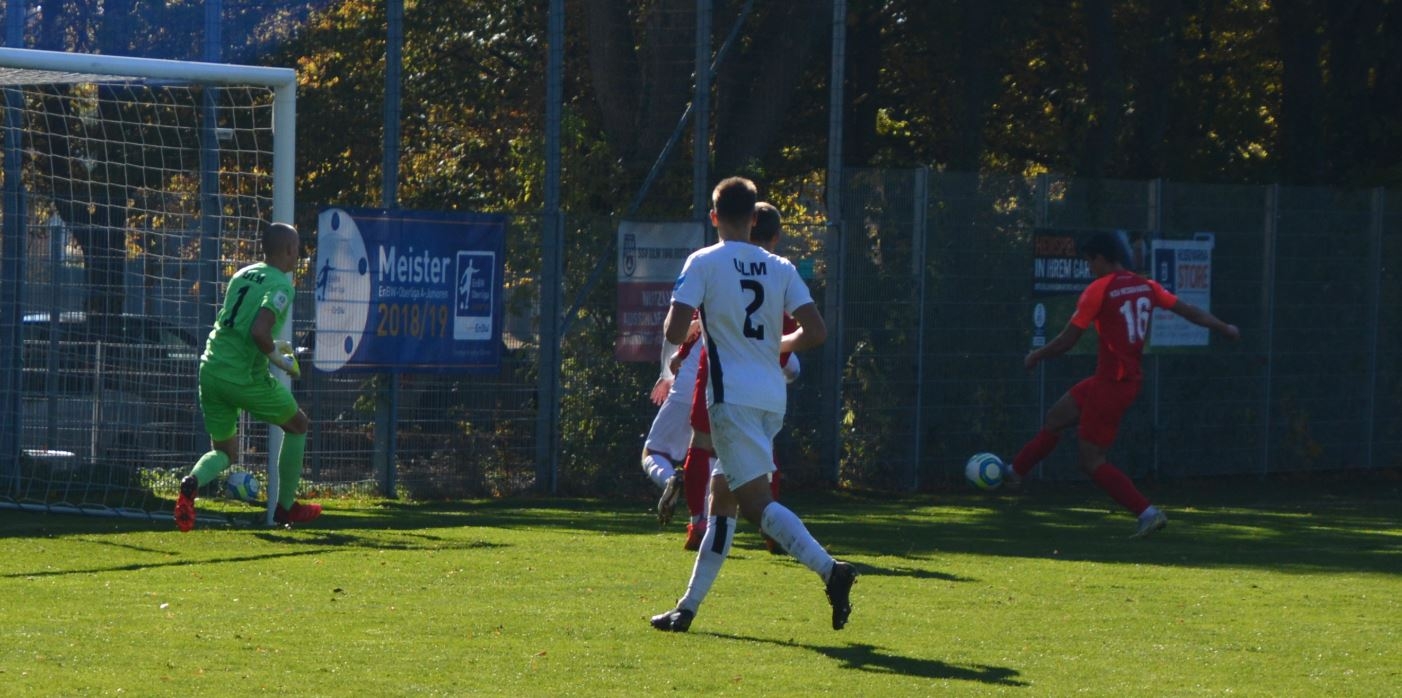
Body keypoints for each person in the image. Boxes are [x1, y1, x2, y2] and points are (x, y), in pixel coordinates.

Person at [650, 177, 855, 633]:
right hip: (770, 397)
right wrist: (779, 343)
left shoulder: (704, 260)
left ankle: (832, 571)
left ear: (714, 216)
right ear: (753, 218)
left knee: (757, 505)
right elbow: (816, 332)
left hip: (732, 398)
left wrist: (682, 330)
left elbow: (675, 329)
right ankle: (687, 608)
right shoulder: (780, 266)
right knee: (722, 499)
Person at [1009, 231, 1240, 538]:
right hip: (1117, 380)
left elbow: (1068, 340)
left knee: (1091, 461)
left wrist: (1036, 355)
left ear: (1100, 258)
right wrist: (1224, 327)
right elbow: (1188, 310)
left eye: (1089, 262)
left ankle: (1147, 513)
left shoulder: (1099, 289)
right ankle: (1014, 472)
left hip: (1112, 384)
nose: (1089, 268)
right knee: (1055, 418)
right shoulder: (1145, 285)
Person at [173, 222, 323, 531]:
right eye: (298, 249)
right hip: (243, 377)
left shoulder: (242, 274)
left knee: (224, 452)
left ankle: (191, 484)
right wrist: (278, 358)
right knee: (298, 425)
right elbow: (258, 331)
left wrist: (274, 346)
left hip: (211, 368)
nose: (299, 255)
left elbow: (241, 324)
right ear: (289, 250)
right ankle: (286, 508)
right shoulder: (282, 286)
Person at [672, 201, 798, 552]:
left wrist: (682, 351)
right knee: (763, 451)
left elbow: (698, 318)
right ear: (775, 236)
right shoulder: (778, 272)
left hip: (720, 373)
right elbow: (797, 328)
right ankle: (773, 530)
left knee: (701, 443)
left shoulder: (717, 263)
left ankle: (699, 522)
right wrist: (783, 358)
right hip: (763, 379)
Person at [642, 315, 701, 522]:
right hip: (733, 390)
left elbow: (675, 332)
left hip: (690, 384)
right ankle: (707, 520)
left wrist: (666, 375)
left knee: (653, 451)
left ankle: (669, 478)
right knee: (711, 455)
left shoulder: (700, 297)